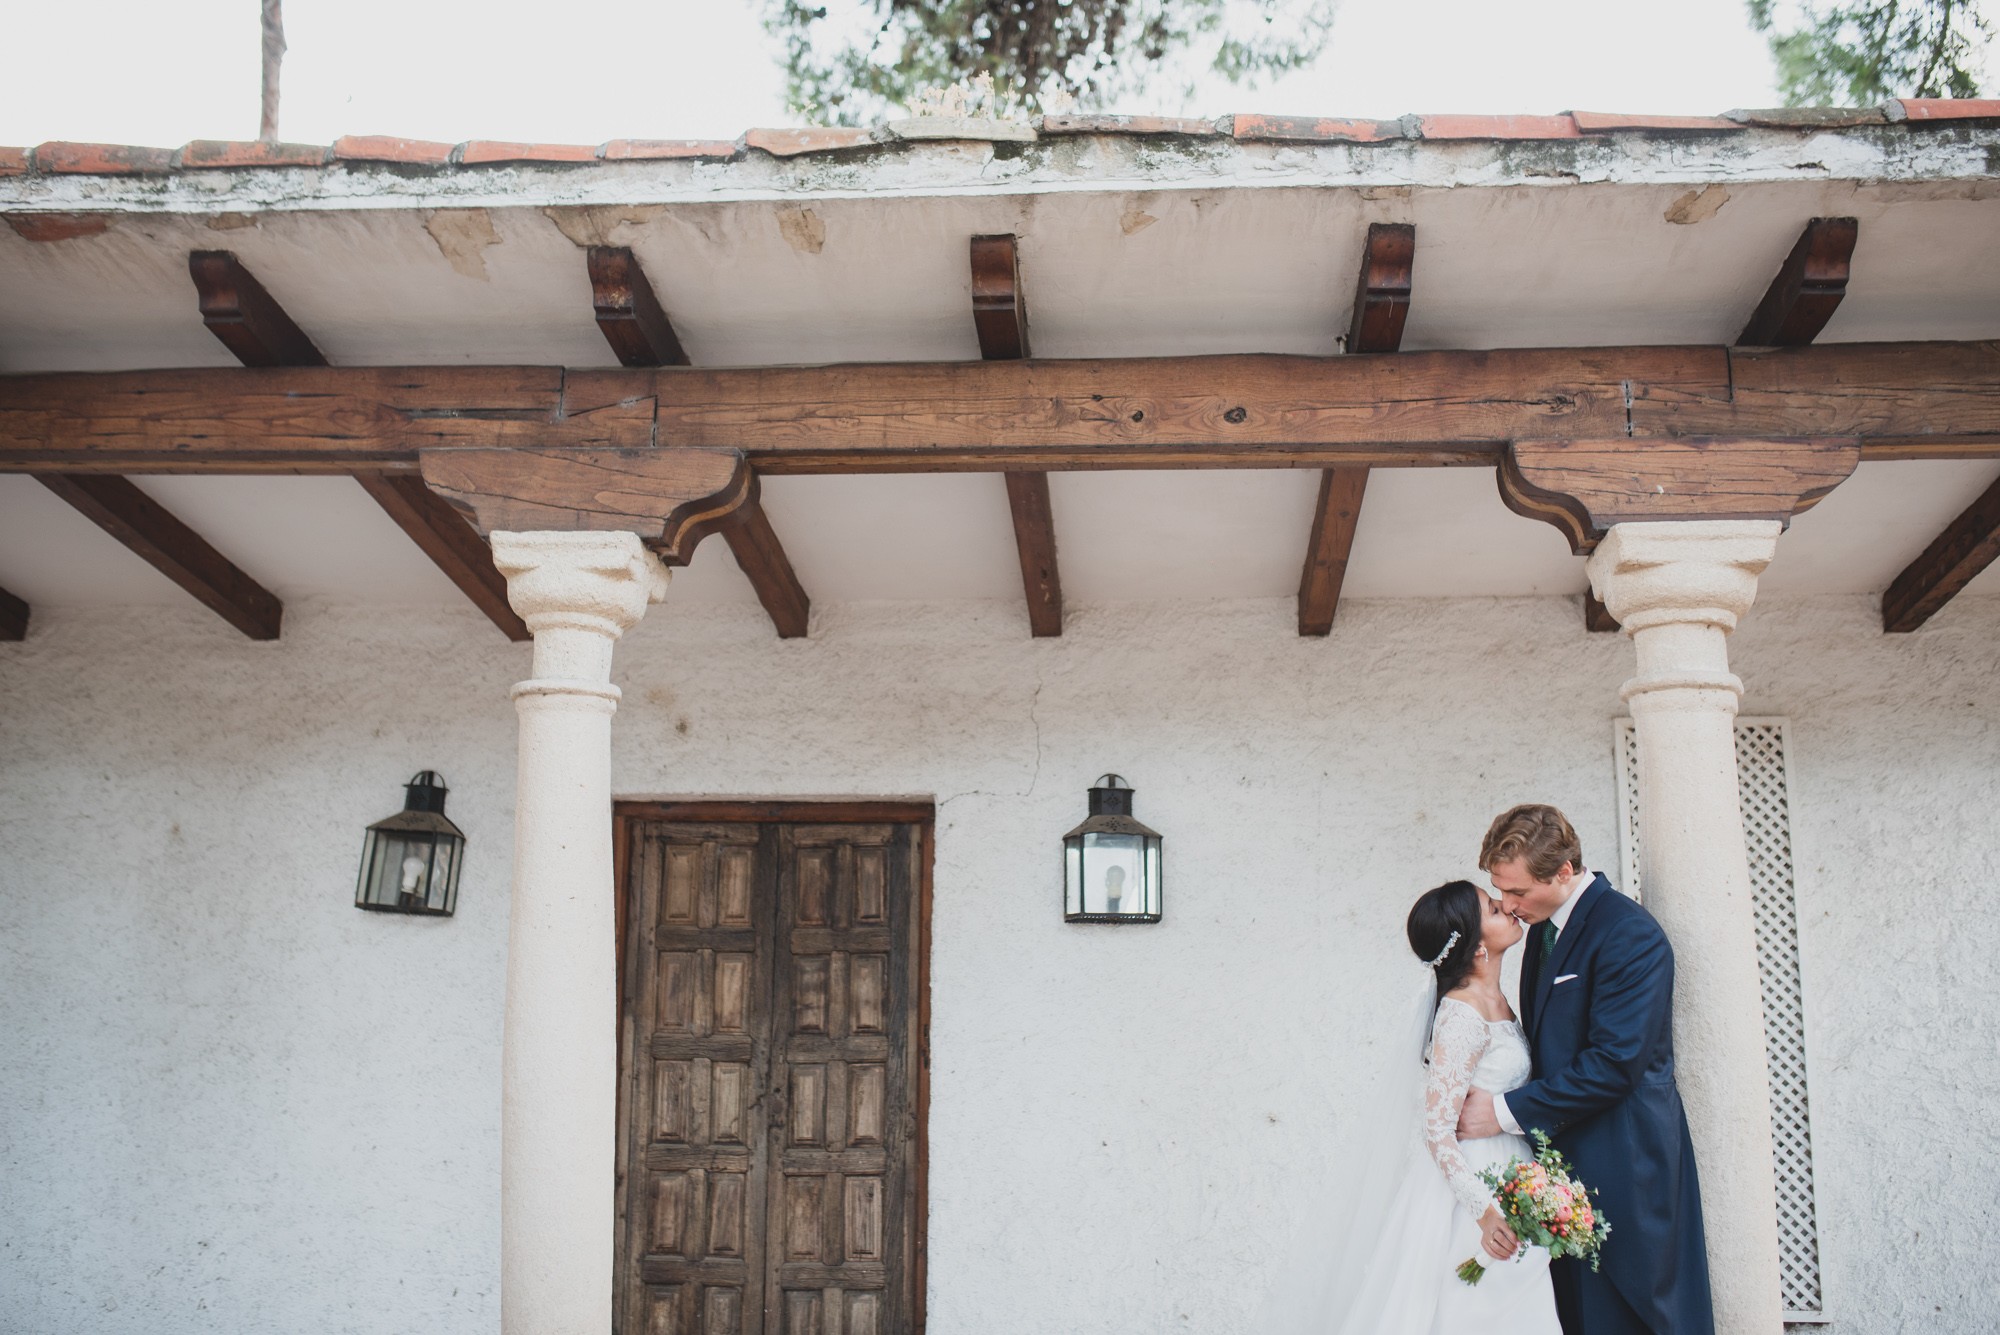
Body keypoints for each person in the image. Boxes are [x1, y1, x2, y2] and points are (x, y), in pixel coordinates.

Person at [1254, 880, 1560, 1335]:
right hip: (1474, 1191)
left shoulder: (1498, 1002)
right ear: (1476, 946)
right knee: (1472, 1312)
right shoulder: (1461, 1014)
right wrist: (1485, 1212)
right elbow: (1438, 1132)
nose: (1509, 911)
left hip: (1514, 1171)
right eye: (1496, 910)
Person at [1456, 804, 1714, 1335]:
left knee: (1641, 1316)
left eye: (1519, 892)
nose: (1507, 904)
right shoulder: (1543, 932)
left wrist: (1500, 1113)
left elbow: (1615, 1063)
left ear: (1565, 871)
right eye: (1499, 890)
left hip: (1626, 1162)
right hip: (1565, 1174)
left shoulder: (1628, 934)